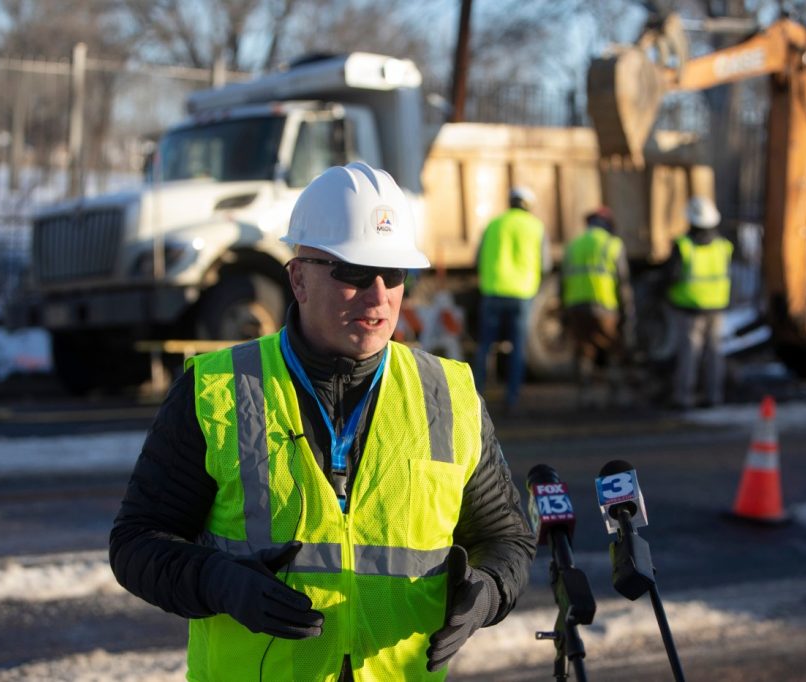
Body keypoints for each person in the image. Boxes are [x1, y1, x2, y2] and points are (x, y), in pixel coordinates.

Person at [109, 162, 536, 681]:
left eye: (394, 274)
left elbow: (507, 538)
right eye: (354, 273)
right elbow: (136, 543)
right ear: (299, 278)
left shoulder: (448, 395)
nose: (379, 297)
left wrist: (491, 590)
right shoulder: (218, 390)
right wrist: (217, 582)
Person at [472, 186, 550, 414]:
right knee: (517, 348)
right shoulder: (536, 227)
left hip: (492, 291)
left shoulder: (493, 224)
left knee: (485, 346)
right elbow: (545, 264)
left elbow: (477, 258)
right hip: (521, 295)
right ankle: (512, 399)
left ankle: (475, 397)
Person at [560, 206, 637, 408]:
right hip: (604, 308)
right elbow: (623, 282)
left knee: (585, 351)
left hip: (576, 307)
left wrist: (564, 311)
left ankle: (585, 396)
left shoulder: (573, 245)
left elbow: (563, 280)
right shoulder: (613, 245)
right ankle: (616, 395)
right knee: (613, 349)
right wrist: (627, 312)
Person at [665, 196, 733, 409]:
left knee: (689, 353)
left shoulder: (684, 245)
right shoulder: (723, 246)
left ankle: (683, 397)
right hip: (717, 306)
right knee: (714, 353)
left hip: (688, 307)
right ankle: (714, 396)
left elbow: (671, 276)